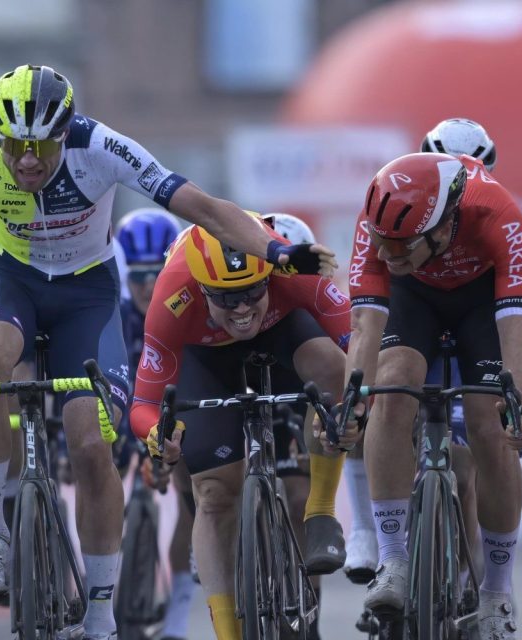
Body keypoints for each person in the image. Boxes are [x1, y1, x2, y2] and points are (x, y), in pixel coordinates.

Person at [0, 64, 335, 639]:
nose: (27, 161)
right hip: (10, 278)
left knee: (90, 442)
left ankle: (102, 613)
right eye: (15, 147)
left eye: (41, 147)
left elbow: (203, 208)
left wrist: (277, 252)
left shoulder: (102, 147)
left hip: (88, 289)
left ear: (66, 132)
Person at [133, 221, 354, 640]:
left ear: (269, 275)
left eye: (252, 292)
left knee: (333, 370)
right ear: (201, 289)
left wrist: (353, 408)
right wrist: (157, 437)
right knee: (214, 495)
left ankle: (322, 511)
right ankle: (229, 633)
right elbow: (143, 405)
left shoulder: (290, 271)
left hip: (281, 329)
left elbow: (358, 347)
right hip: (203, 355)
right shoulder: (173, 296)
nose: (241, 308)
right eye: (227, 298)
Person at [345, 152, 522, 638]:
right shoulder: (380, 222)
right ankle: (394, 563)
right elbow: (365, 323)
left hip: (480, 300)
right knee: (389, 391)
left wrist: (520, 405)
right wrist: (353, 399)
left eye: (400, 246)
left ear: (444, 226)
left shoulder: (499, 214)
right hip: (414, 300)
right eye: (381, 243)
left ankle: (496, 591)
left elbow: (517, 332)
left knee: (489, 426)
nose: (386, 255)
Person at [114, 209, 196, 640]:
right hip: (126, 410)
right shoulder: (112, 307)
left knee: (190, 498)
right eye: (138, 276)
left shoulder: (184, 301)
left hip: (173, 409)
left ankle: (178, 618)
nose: (148, 286)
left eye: (156, 274)